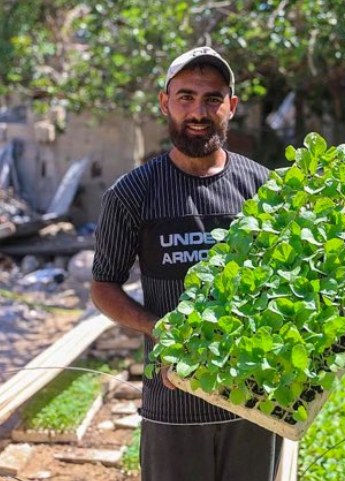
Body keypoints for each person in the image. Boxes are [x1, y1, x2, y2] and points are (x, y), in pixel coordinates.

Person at [91, 46, 283, 481]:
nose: (199, 111)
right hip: (172, 404)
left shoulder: (264, 189)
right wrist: (159, 328)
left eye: (212, 98)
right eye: (185, 97)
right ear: (165, 102)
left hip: (250, 400)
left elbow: (293, 284)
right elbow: (104, 286)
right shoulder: (133, 193)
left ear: (231, 107)